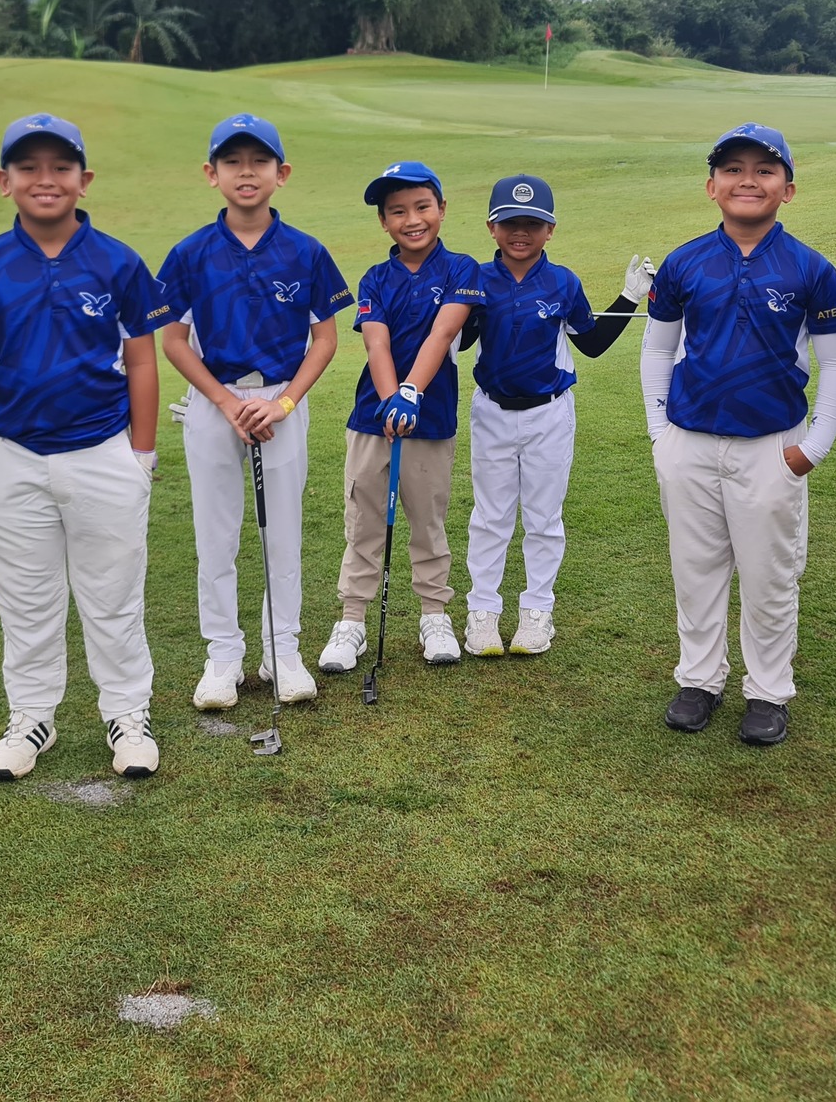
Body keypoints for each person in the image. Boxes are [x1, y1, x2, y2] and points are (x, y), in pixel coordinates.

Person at [0, 115, 167, 782]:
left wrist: (143, 454)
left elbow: (143, 362)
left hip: (102, 449)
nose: (46, 180)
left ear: (84, 180)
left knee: (114, 596)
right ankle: (30, 717)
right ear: (3, 181)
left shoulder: (118, 261)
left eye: (61, 168)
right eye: (29, 168)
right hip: (8, 455)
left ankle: (128, 714)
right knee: (26, 599)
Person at [642, 124, 836, 745]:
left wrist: (813, 447)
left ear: (788, 188)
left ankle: (768, 692)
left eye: (765, 170)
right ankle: (700, 681)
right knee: (696, 567)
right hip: (690, 442)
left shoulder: (811, 268)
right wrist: (661, 433)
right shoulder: (684, 262)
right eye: (733, 169)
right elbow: (657, 352)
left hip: (772, 446)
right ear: (712, 186)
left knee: (769, 574)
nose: (748, 181)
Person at [156, 115, 350, 711]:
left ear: (281, 174)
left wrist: (285, 402)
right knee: (216, 537)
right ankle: (222, 657)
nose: (247, 172)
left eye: (260, 162)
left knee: (281, 534)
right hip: (216, 402)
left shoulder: (306, 251)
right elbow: (173, 339)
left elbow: (324, 338)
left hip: (282, 400)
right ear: (211, 174)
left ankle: (281, 650)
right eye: (233, 162)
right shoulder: (190, 253)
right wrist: (224, 400)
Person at [456, 175, 654, 656]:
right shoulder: (477, 279)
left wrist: (629, 298)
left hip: (549, 414)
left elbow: (589, 343)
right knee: (491, 516)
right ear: (491, 227)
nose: (519, 233)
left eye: (532, 223)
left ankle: (536, 612)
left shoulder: (563, 281)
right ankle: (483, 611)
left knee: (544, 517)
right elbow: (457, 342)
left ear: (550, 230)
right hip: (493, 412)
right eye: (509, 223)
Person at [317, 163, 484, 673]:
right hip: (372, 420)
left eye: (421, 207)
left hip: (431, 419)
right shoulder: (375, 277)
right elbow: (376, 340)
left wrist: (412, 393)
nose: (412, 219)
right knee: (364, 519)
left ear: (441, 209)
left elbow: (443, 332)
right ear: (384, 223)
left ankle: (434, 615)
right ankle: (353, 621)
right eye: (397, 212)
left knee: (427, 521)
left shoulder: (462, 268)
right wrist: (391, 399)